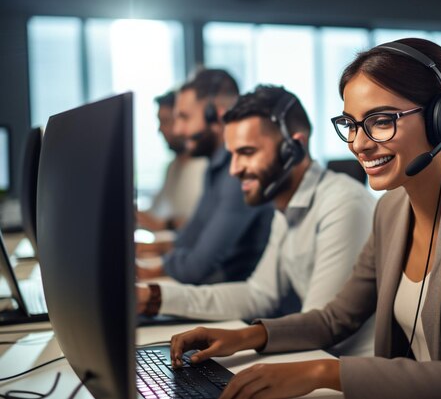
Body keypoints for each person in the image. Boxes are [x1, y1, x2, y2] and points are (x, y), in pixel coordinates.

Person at [167, 39, 441, 399]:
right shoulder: (392, 210)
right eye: (351, 124)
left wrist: (320, 372)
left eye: (381, 121)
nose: (360, 143)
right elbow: (335, 318)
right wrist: (241, 337)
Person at [137, 85, 376, 356]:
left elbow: (319, 328)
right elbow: (259, 294)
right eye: (232, 154)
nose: (234, 169)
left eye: (247, 152)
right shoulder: (285, 206)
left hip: (343, 371)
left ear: (293, 148)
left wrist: (242, 338)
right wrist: (153, 298)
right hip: (315, 358)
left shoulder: (343, 205)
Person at [136, 69, 274, 285]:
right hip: (216, 291)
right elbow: (187, 239)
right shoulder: (215, 167)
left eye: (184, 117)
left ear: (216, 115)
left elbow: (196, 267)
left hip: (235, 299)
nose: (179, 130)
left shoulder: (237, 173)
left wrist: (148, 271)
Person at [136, 90, 208, 232]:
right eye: (159, 122)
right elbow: (154, 212)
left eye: (165, 121)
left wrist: (166, 225)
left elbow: (203, 224)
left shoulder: (205, 166)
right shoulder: (173, 167)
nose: (160, 129)